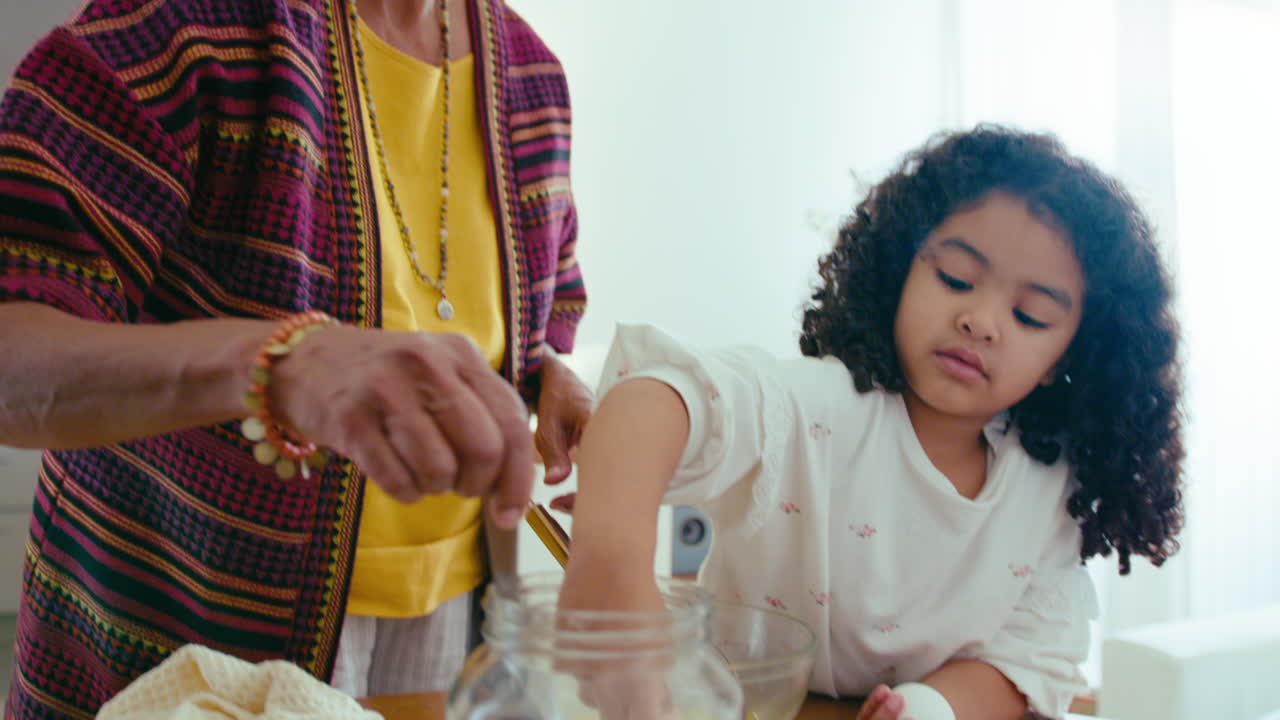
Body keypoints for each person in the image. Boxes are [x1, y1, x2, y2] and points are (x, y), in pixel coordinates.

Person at [0, 0, 589, 716]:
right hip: (182, 630)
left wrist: (546, 373)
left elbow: (545, 294)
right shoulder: (180, 26)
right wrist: (279, 365)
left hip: (449, 618)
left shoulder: (531, 73)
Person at [556, 126, 1184, 720]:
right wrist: (610, 562)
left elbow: (1025, 665)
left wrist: (930, 707)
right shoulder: (820, 408)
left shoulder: (1046, 493)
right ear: (899, 270)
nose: (982, 320)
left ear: (1067, 359)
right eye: (957, 278)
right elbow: (654, 397)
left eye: (1031, 316)